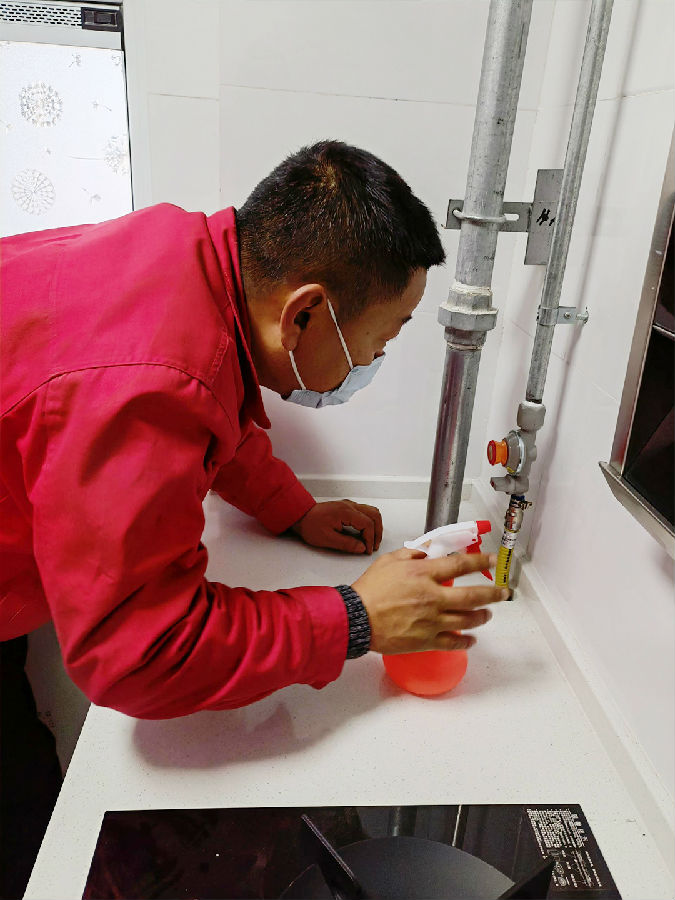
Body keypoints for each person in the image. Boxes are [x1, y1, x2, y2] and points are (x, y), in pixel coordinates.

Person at [0, 141, 508, 896]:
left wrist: (290, 507)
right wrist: (356, 618)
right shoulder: (142, 382)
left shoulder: (186, 260)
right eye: (387, 333)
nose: (377, 356)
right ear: (306, 314)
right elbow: (137, 652)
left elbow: (210, 397)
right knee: (28, 831)